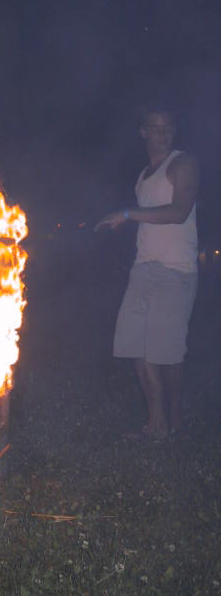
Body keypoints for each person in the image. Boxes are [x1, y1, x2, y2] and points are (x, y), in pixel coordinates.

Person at [95, 103, 199, 439]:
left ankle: (175, 416)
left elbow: (179, 212)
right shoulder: (143, 176)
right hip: (143, 268)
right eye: (155, 127)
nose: (163, 133)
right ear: (143, 132)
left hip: (175, 270)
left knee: (166, 352)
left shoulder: (183, 163)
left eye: (168, 126)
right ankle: (156, 424)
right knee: (134, 345)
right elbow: (150, 219)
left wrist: (127, 214)